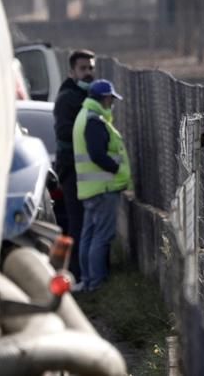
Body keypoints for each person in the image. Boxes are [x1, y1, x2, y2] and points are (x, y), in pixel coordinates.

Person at [73, 79, 132, 292]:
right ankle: (96, 285)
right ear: (105, 98)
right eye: (111, 99)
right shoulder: (94, 120)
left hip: (90, 188)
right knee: (102, 236)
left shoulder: (83, 116)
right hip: (103, 188)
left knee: (88, 235)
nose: (112, 103)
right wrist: (116, 169)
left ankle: (88, 281)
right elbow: (97, 154)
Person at [53, 49, 95, 287]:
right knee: (77, 224)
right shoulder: (68, 97)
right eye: (83, 68)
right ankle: (75, 275)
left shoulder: (84, 95)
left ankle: (81, 274)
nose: (88, 72)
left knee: (85, 224)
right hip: (72, 171)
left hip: (84, 172)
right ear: (71, 71)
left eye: (90, 67)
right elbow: (64, 132)